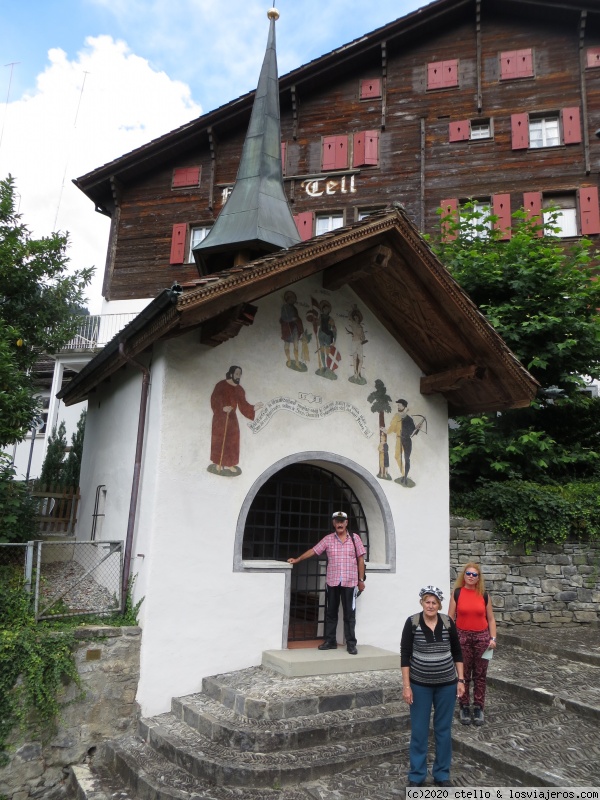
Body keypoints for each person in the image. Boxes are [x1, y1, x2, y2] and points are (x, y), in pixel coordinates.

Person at [401, 586, 465, 787]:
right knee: (419, 731)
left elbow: (457, 652)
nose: (430, 605)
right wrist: (406, 686)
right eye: (427, 602)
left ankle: (442, 774)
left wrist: (461, 680)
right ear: (422, 603)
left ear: (439, 605)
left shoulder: (447, 622)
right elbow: (405, 655)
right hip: (420, 686)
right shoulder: (412, 623)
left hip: (447, 685)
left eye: (434, 602)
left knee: (443, 730)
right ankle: (417, 775)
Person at [287, 511, 366, 654]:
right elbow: (314, 551)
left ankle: (351, 643)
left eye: (342, 521)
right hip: (333, 582)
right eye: (337, 521)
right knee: (331, 613)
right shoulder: (328, 539)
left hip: (350, 582)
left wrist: (361, 580)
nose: (340, 524)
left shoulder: (355, 539)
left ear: (346, 523)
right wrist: (298, 559)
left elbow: (361, 560)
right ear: (333, 523)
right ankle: (330, 641)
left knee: (349, 614)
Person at [448, 562, 497, 727]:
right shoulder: (456, 593)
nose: (471, 576)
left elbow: (490, 619)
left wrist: (493, 638)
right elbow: (450, 618)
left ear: (478, 578)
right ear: (464, 575)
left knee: (480, 675)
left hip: (482, 638)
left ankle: (478, 707)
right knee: (463, 674)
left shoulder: (484, 595)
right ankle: (464, 706)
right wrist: (451, 639)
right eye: (468, 573)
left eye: (474, 574)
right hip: (462, 637)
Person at [209, 366, 263, 475]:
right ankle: (218, 463)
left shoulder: (239, 389)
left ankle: (230, 464)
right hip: (220, 417)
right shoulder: (221, 385)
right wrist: (222, 408)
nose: (239, 376)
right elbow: (214, 399)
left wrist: (253, 408)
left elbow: (243, 404)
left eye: (240, 374)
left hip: (232, 418)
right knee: (219, 439)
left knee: (233, 439)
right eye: (237, 374)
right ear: (231, 374)